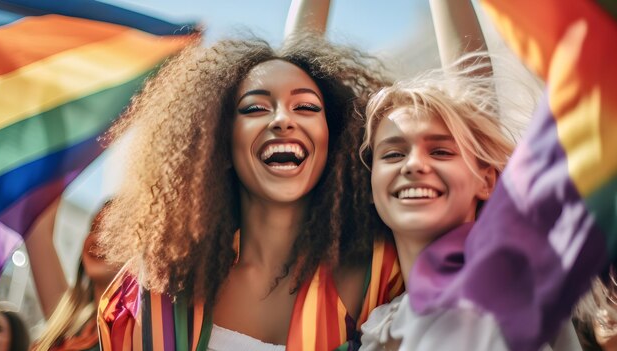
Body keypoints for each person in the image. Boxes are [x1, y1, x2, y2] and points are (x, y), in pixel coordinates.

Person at [96, 30, 403, 350]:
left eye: (307, 107)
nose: (283, 120)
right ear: (220, 145)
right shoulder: (157, 287)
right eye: (256, 108)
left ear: (334, 139)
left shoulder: (382, 275)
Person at [357, 50, 583, 349]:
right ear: (371, 188)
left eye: (441, 151)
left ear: (486, 181)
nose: (412, 165)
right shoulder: (380, 322)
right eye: (393, 154)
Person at [31, 201, 120, 351]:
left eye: (114, 233)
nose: (98, 239)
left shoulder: (142, 326)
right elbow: (37, 228)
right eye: (94, 228)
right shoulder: (67, 317)